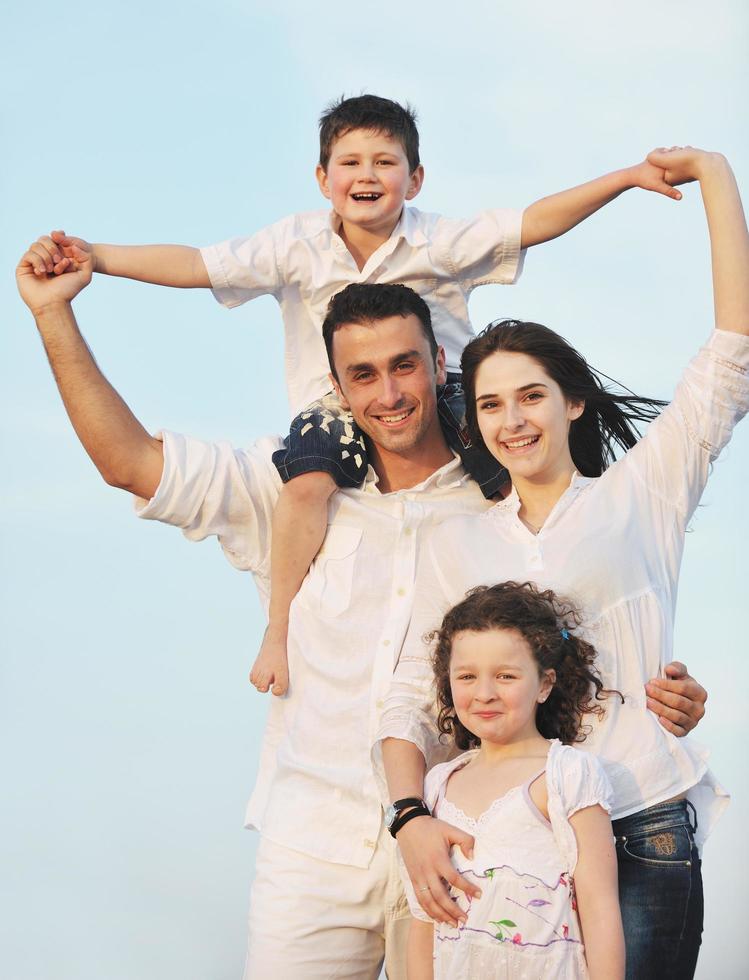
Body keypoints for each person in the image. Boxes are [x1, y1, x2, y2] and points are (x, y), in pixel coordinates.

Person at [14, 263, 707, 977]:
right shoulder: (285, 492)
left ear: (437, 365)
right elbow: (130, 462)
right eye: (363, 375)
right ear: (336, 387)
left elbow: (578, 631)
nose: (389, 393)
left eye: (405, 365)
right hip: (316, 845)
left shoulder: (496, 506)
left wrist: (667, 695)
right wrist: (51, 316)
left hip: (476, 843)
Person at [29, 93, 687, 700]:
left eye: (384, 161)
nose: (366, 174)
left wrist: (625, 178)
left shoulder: (438, 240)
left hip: (449, 396)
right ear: (322, 179)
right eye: (349, 161)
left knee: (515, 498)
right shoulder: (294, 245)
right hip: (328, 406)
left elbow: (534, 222)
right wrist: (97, 257)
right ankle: (276, 626)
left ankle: (567, 613)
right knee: (305, 489)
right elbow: (199, 266)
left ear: (415, 178)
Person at [378, 147, 748, 980]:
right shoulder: (453, 542)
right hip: (512, 833)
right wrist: (408, 819)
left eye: (531, 394)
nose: (513, 419)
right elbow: (412, 697)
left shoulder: (642, 493)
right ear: (472, 423)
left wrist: (716, 174)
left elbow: (732, 349)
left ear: (572, 400)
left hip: (640, 817)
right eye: (490, 404)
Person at [405, 582, 625, 980]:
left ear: (544, 684)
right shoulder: (436, 785)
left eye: (506, 676)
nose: (484, 693)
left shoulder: (567, 774)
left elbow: (600, 909)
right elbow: (424, 918)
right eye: (467, 676)